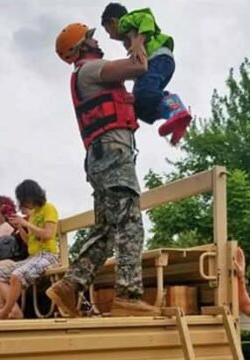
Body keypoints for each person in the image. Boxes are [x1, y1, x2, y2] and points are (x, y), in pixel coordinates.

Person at [47, 22, 159, 318]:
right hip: (112, 155)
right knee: (129, 222)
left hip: (100, 157)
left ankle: (70, 286)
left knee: (106, 229)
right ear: (81, 47)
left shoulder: (85, 73)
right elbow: (139, 66)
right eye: (91, 40)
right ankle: (128, 296)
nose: (98, 43)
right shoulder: (91, 70)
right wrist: (136, 35)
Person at [100, 3, 192, 145]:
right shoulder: (129, 33)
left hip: (158, 58)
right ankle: (174, 119)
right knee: (139, 104)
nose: (110, 36)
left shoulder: (125, 21)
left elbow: (147, 18)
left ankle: (176, 109)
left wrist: (138, 42)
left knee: (143, 91)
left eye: (108, 31)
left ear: (113, 22)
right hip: (161, 63)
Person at [0, 180, 59, 320]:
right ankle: (9, 309)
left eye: (24, 199)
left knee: (17, 275)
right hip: (34, 257)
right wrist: (19, 227)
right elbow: (29, 241)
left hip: (48, 256)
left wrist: (25, 223)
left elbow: (48, 234)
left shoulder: (49, 208)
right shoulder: (34, 214)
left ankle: (5, 312)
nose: (23, 204)